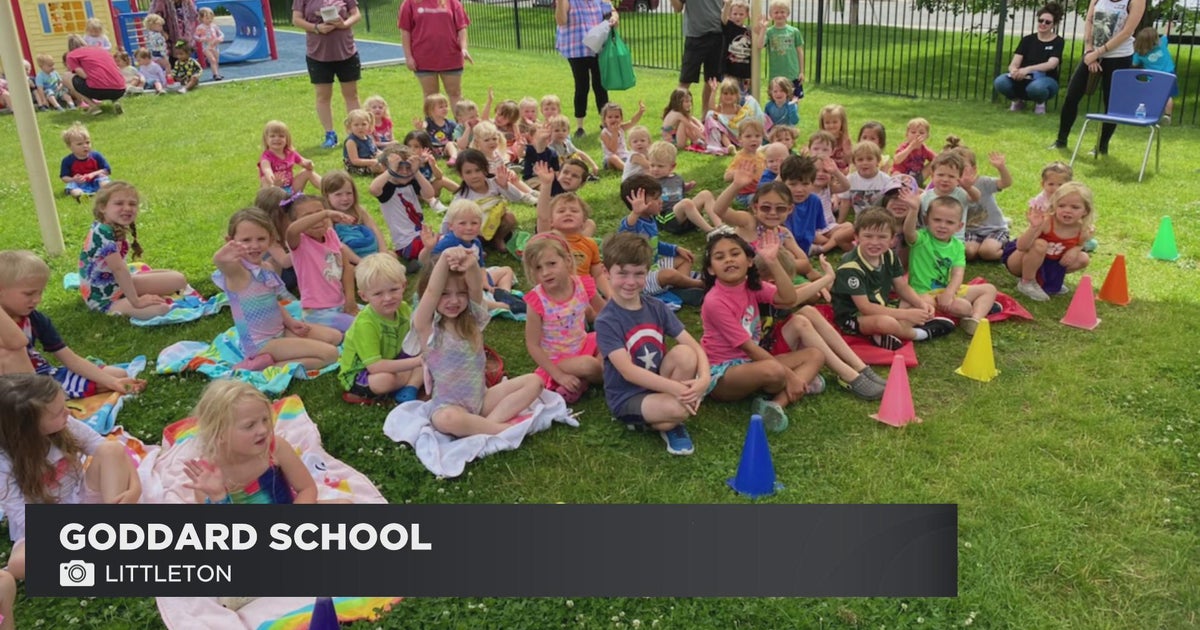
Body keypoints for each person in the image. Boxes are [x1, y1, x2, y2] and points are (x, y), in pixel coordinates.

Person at [0, 373, 141, 556]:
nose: (68, 412)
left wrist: (135, 488)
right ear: (28, 427)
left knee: (111, 449)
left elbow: (109, 450)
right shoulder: (4, 464)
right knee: (19, 563)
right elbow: (24, 518)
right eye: (58, 412)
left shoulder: (66, 425)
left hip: (79, 496)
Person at [596, 232, 710, 455]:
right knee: (679, 409)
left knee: (686, 353)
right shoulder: (607, 320)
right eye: (622, 273)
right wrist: (680, 391)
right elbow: (628, 372)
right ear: (606, 272)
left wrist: (704, 379)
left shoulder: (656, 307)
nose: (631, 282)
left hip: (659, 383)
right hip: (627, 397)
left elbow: (694, 345)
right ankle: (664, 421)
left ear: (648, 273)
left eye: (639, 274)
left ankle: (665, 416)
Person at [701, 229, 825, 432]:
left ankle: (775, 404)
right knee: (775, 371)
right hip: (723, 373)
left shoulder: (751, 285)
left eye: (735, 253)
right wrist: (791, 376)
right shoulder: (714, 301)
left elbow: (788, 299)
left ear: (749, 261)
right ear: (711, 269)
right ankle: (799, 382)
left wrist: (773, 262)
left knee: (815, 355)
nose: (729, 260)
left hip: (751, 363)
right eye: (719, 257)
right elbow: (748, 348)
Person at [413, 247, 544, 437]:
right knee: (446, 419)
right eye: (445, 294)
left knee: (535, 381)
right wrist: (444, 259)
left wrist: (472, 263)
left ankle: (486, 425)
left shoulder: (472, 319)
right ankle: (502, 430)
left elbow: (475, 287)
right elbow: (432, 291)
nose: (454, 300)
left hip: (482, 400)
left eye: (461, 293)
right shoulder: (428, 327)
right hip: (449, 406)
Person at [0, 250, 147, 396]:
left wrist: (112, 382)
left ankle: (53, 395)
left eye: (40, 292)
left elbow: (69, 358)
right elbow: (17, 342)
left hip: (43, 375)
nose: (37, 299)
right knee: (47, 394)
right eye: (29, 294)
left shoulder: (35, 319)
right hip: (13, 386)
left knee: (118, 375)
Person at [213, 208, 342, 372]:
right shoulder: (238, 273)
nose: (254, 245)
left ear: (271, 240)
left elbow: (272, 301)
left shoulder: (266, 267)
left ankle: (287, 354)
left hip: (281, 332)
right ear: (231, 241)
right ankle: (267, 365)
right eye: (246, 240)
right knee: (330, 354)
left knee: (335, 337)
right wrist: (226, 252)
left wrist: (291, 323)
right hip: (261, 344)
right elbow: (220, 261)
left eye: (261, 239)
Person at [832, 208, 955, 350]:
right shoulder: (851, 267)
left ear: (892, 239)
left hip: (882, 305)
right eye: (868, 236)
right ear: (856, 237)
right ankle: (919, 333)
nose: (875, 242)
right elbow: (865, 307)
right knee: (886, 323)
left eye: (882, 237)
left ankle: (884, 335)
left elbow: (901, 286)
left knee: (926, 300)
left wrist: (920, 305)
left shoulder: (888, 255)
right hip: (854, 316)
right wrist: (907, 314)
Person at [183, 380, 316, 504]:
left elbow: (307, 488)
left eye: (265, 419)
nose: (263, 430)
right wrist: (218, 497)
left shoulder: (274, 448)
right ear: (219, 433)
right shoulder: (207, 475)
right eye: (250, 426)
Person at [79, 182, 188, 318]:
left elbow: (121, 271)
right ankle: (130, 298)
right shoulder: (102, 233)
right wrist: (137, 301)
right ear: (102, 207)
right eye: (119, 203)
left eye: (132, 204)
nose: (127, 208)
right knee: (161, 309)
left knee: (179, 280)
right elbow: (119, 270)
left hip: (120, 284)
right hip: (105, 298)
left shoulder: (111, 227)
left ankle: (133, 290)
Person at [1051, 0, 1144, 153]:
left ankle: (1101, 147)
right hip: (1091, 55)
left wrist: (1098, 52)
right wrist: (1089, 51)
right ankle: (1061, 140)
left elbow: (1127, 32)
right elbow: (1089, 20)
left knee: (1112, 104)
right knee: (1072, 95)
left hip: (1119, 56)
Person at [522, 234, 603, 403]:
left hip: (584, 343)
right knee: (589, 365)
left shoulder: (582, 284)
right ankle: (578, 378)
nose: (545, 272)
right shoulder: (537, 300)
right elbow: (532, 344)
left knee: (611, 341)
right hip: (558, 360)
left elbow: (606, 313)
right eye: (538, 268)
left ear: (567, 260)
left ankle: (581, 381)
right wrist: (558, 374)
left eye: (551, 264)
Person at [902, 196, 998, 336]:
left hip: (947, 291)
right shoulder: (922, 238)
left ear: (959, 226)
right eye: (937, 220)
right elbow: (908, 232)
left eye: (949, 222)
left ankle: (975, 319)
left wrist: (949, 293)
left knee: (989, 289)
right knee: (926, 304)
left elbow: (958, 273)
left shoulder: (958, 246)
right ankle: (943, 317)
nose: (942, 225)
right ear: (926, 219)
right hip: (923, 292)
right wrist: (913, 210)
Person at [338, 254, 423, 404]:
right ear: (364, 296)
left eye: (393, 289)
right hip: (363, 373)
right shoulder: (365, 324)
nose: (388, 298)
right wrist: (417, 362)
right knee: (386, 379)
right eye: (378, 293)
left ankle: (410, 388)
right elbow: (375, 366)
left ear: (403, 286)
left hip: (394, 359)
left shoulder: (403, 308)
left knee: (429, 353)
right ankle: (408, 383)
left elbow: (417, 334)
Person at [1003, 181, 1095, 301]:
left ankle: (1050, 280)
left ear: (1085, 211)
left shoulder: (1083, 229)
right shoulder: (1047, 221)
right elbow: (1021, 246)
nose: (1067, 210)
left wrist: (1075, 249)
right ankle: (1027, 282)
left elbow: (1080, 244)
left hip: (1048, 264)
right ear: (1054, 206)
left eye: (1075, 207)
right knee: (1040, 244)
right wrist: (1034, 227)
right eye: (1062, 206)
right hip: (1019, 261)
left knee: (1083, 258)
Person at [292, 0, 362, 148]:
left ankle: (356, 134)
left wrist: (344, 24)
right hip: (317, 54)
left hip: (346, 51)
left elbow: (356, 14)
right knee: (323, 96)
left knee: (351, 94)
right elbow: (296, 19)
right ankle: (330, 134)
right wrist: (317, 28)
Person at [284, 194, 360, 332]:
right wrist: (324, 213)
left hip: (340, 304)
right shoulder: (299, 242)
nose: (317, 220)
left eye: (319, 214)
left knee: (375, 315)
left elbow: (347, 268)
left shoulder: (331, 234)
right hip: (317, 312)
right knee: (360, 327)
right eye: (308, 216)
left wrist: (350, 300)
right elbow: (292, 230)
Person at [555, 0, 616, 138]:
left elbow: (611, 11)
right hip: (577, 49)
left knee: (601, 86)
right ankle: (580, 127)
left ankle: (605, 123)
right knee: (582, 86)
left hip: (598, 47)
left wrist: (614, 17)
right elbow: (561, 21)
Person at [372, 145, 436, 269]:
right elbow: (373, 189)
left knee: (441, 238)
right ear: (387, 168)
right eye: (399, 168)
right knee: (436, 245)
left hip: (421, 235)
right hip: (406, 243)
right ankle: (421, 261)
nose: (405, 172)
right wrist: (391, 171)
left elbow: (430, 193)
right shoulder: (387, 188)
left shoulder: (412, 183)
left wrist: (416, 171)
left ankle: (420, 261)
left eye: (408, 168)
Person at [994, 3, 1065, 115]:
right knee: (1000, 81)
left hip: (1046, 79)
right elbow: (1014, 63)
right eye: (1041, 20)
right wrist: (1014, 71)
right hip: (1023, 78)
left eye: (1047, 22)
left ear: (1054, 24)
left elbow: (1052, 64)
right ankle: (1017, 102)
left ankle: (1040, 103)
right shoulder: (1027, 40)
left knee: (1036, 88)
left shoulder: (1058, 41)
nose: (1043, 24)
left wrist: (1028, 69)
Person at [400, 0, 472, 108]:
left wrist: (464, 48)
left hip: (450, 57)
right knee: (431, 97)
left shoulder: (453, 2)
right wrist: (408, 57)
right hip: (423, 58)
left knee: (455, 93)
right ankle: (433, 125)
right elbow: (405, 31)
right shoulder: (409, 3)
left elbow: (462, 27)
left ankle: (461, 124)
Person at [672, 0, 724, 116]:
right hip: (695, 37)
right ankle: (675, 118)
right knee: (685, 81)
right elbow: (677, 8)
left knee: (711, 81)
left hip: (718, 35)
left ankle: (706, 117)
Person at [323, 170, 388, 257]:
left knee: (391, 255)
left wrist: (384, 253)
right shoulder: (328, 218)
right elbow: (335, 244)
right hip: (349, 259)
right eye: (338, 194)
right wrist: (359, 261)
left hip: (371, 252)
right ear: (327, 196)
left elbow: (374, 228)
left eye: (349, 193)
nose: (345, 198)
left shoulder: (358, 210)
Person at [63, 35, 125, 115]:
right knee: (109, 79)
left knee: (66, 76)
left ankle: (93, 106)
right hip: (120, 89)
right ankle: (116, 101)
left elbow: (83, 75)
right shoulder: (101, 50)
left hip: (97, 90)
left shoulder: (71, 55)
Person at [259, 120, 321, 194]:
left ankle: (329, 189)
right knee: (265, 180)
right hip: (273, 190)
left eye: (281, 136)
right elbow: (267, 170)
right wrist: (274, 182)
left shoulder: (290, 152)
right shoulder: (266, 157)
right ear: (266, 139)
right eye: (272, 136)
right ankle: (270, 203)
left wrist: (309, 165)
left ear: (287, 139)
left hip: (290, 188)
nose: (277, 139)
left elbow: (305, 163)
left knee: (307, 172)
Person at [1132, 26, 1177, 122]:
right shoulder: (1162, 43)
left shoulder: (1139, 53)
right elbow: (1166, 35)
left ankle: (1152, 113)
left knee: (1152, 94)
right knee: (1168, 96)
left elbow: (1134, 63)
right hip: (1169, 74)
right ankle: (1167, 115)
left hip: (1153, 76)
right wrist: (1169, 26)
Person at [762, 0, 805, 100]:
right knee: (776, 100)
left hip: (793, 74)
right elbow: (761, 45)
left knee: (794, 101)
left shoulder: (794, 31)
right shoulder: (769, 32)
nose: (779, 15)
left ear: (788, 14)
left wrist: (801, 71)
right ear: (771, 15)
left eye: (782, 12)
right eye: (776, 12)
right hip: (776, 74)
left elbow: (800, 51)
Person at [59, 122, 110, 200]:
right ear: (69, 146)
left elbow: (107, 170)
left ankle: (106, 193)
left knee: (103, 180)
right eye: (80, 144)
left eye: (87, 142)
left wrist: (93, 174)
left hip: (95, 180)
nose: (85, 146)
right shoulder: (67, 160)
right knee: (72, 187)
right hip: (79, 184)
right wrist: (74, 179)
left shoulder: (96, 156)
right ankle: (82, 196)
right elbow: (64, 177)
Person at [600, 101, 646, 171]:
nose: (613, 119)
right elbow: (613, 149)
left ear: (621, 119)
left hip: (625, 156)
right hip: (610, 160)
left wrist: (640, 112)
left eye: (617, 117)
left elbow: (632, 122)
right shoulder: (604, 133)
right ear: (604, 120)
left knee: (637, 153)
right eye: (610, 117)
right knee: (613, 158)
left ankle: (645, 166)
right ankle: (628, 170)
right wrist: (614, 133)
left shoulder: (621, 127)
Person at [343, 109, 384, 176]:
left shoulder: (369, 138)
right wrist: (373, 161)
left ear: (369, 125)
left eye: (364, 124)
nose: (360, 127)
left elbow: (375, 151)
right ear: (350, 126)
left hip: (370, 161)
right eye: (356, 125)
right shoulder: (351, 141)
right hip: (356, 167)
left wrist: (384, 154)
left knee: (390, 161)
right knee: (381, 167)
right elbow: (355, 161)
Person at [193, 7, 225, 81]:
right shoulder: (200, 27)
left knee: (216, 60)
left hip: (215, 46)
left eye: (211, 18)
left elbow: (221, 33)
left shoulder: (214, 26)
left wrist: (220, 38)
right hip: (207, 47)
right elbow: (195, 36)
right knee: (212, 60)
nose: (209, 20)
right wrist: (200, 39)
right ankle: (215, 74)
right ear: (201, 18)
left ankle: (217, 73)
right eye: (207, 18)